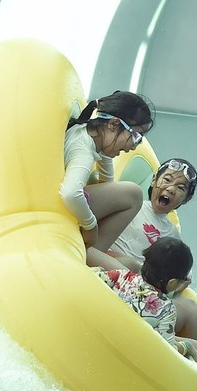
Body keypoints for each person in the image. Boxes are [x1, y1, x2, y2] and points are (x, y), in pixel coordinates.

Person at [97, 238, 197, 373]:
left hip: (112, 331)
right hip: (137, 349)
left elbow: (92, 278)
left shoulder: (120, 276)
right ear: (173, 283)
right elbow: (167, 350)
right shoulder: (166, 310)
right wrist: (187, 348)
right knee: (194, 348)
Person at [60, 90, 155, 266]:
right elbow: (70, 193)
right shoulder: (83, 149)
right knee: (133, 194)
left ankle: (93, 251)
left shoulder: (94, 137)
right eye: (136, 136)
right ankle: (88, 253)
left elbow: (108, 184)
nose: (135, 146)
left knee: (132, 265)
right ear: (113, 124)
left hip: (73, 216)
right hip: (64, 214)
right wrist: (91, 226)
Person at [106, 157, 197, 273]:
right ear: (154, 180)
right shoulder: (132, 204)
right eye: (167, 180)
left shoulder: (172, 236)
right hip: (104, 261)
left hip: (132, 282)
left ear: (186, 199)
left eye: (180, 188)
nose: (170, 189)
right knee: (132, 265)